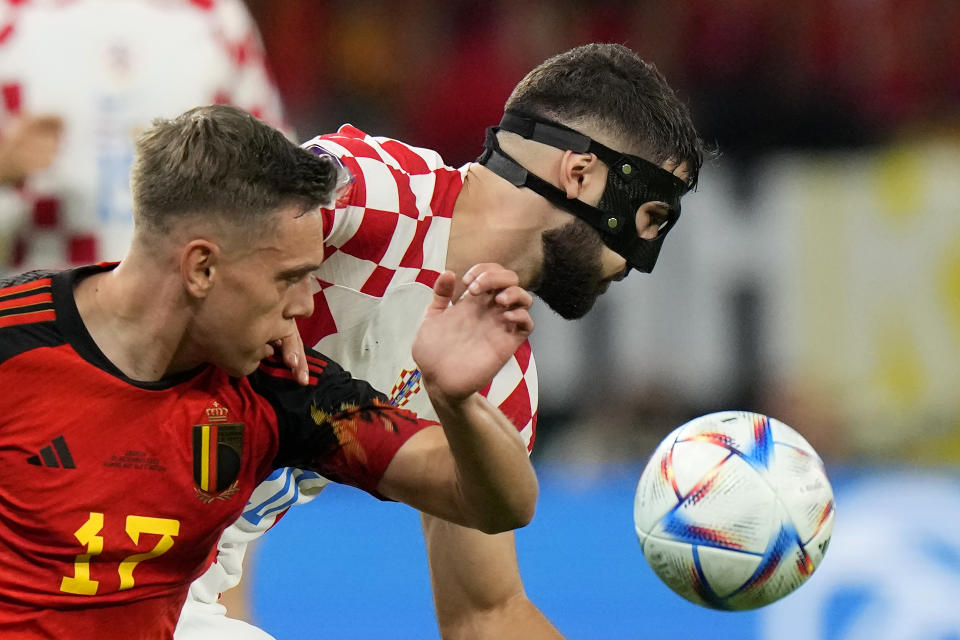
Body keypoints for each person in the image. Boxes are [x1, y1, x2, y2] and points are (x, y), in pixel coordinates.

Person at [180, 43, 706, 639]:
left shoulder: (498, 378)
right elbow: (196, 213)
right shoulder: (381, 191)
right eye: (651, 216)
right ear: (580, 174)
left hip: (172, 587)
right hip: (89, 532)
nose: (643, 260)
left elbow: (487, 614)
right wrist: (260, 290)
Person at [0, 104, 540, 639]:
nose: (306, 306)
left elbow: (494, 504)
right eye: (291, 277)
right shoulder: (15, 346)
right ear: (201, 268)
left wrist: (455, 401)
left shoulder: (279, 389)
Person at [0, 0, 288, 274]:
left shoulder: (214, 15)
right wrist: (5, 169)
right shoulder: (11, 15)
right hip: (42, 302)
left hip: (183, 300)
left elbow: (278, 172)